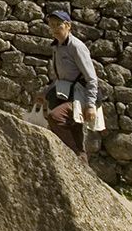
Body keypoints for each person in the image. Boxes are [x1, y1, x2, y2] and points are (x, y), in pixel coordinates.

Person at [38, 9, 103, 163]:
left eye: (58, 25)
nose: (54, 29)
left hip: (81, 94)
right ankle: (80, 157)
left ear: (68, 26)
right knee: (73, 128)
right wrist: (45, 92)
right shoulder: (56, 47)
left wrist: (91, 105)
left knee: (55, 117)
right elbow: (61, 77)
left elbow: (91, 78)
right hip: (65, 92)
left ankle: (73, 154)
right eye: (51, 25)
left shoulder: (76, 46)